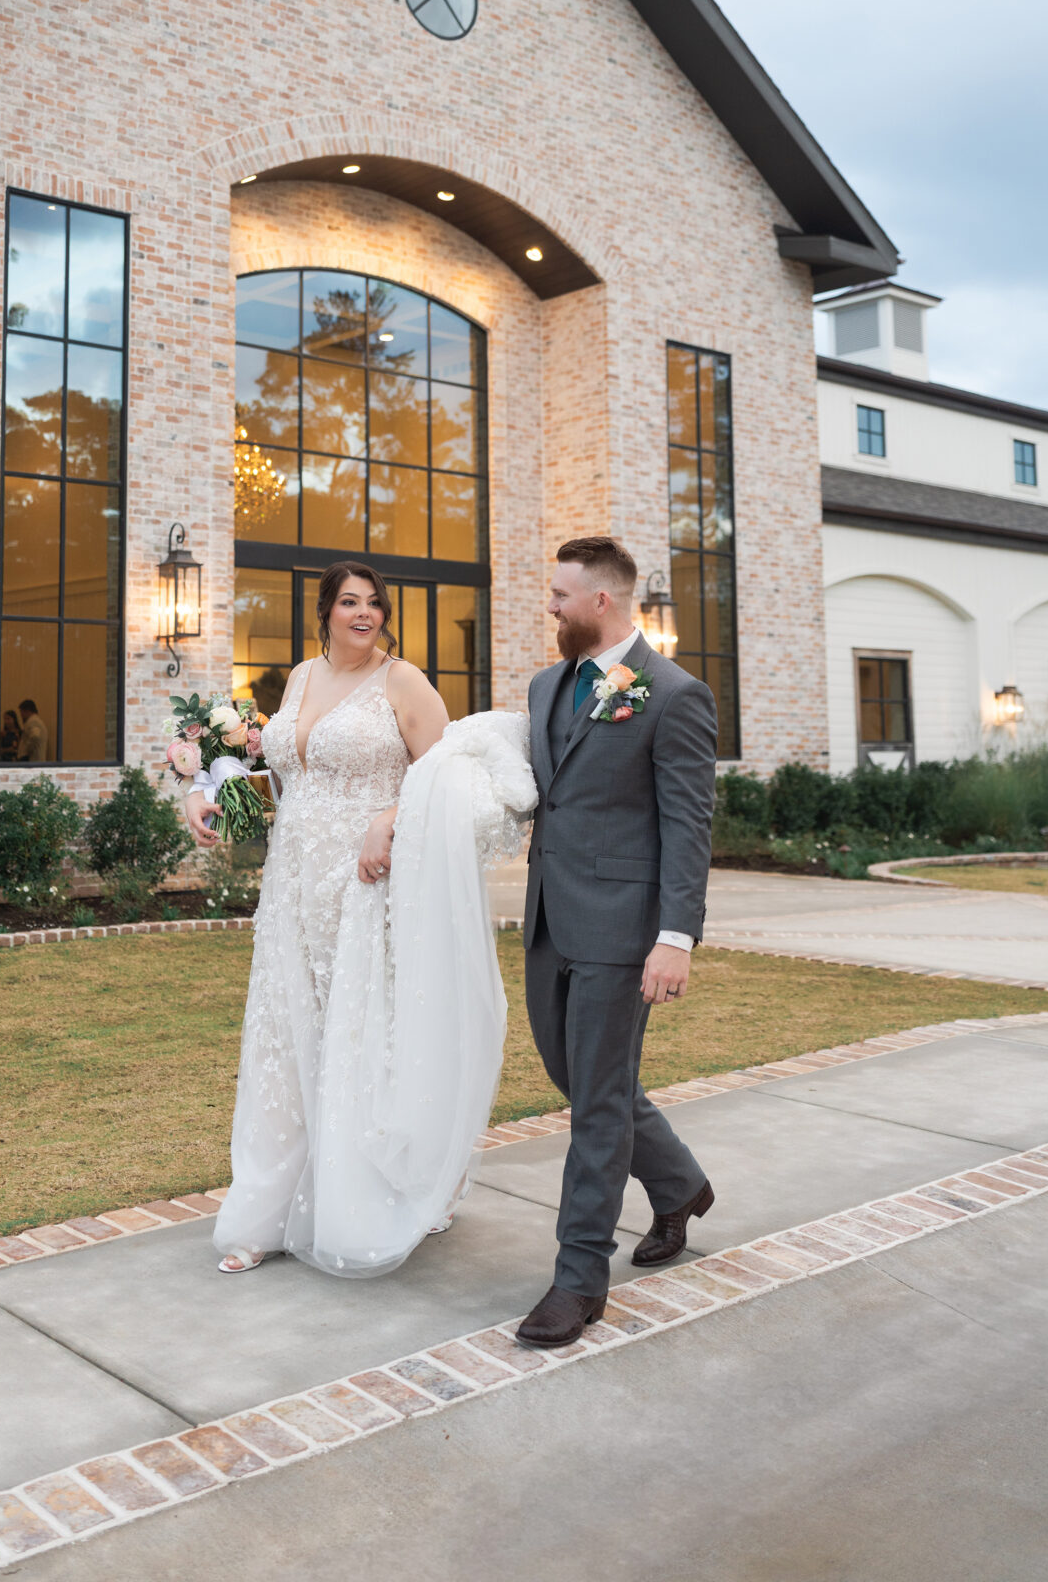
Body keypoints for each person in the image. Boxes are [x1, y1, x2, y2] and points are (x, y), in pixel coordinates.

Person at [186, 562, 527, 1277]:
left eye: (373, 603)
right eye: (349, 602)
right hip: (292, 885)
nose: (363, 613)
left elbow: (446, 780)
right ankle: (269, 1210)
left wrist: (388, 818)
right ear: (324, 612)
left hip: (369, 882)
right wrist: (209, 792)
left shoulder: (403, 681)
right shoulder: (302, 678)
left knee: (362, 1033)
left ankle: (375, 1198)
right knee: (288, 1036)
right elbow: (288, 776)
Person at [516, 535, 718, 1349]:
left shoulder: (673, 695)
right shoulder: (543, 686)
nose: (551, 607)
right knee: (581, 1079)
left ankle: (577, 1281)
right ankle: (680, 1186)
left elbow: (687, 826)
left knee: (597, 1104)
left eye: (560, 595)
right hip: (546, 919)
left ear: (600, 601)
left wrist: (675, 936)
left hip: (621, 930)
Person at [15, 699, 48, 764]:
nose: (21, 715)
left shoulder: (33, 722)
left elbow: (35, 737)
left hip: (33, 759)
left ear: (27, 711)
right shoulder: (36, 721)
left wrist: (25, 752)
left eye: (21, 712)